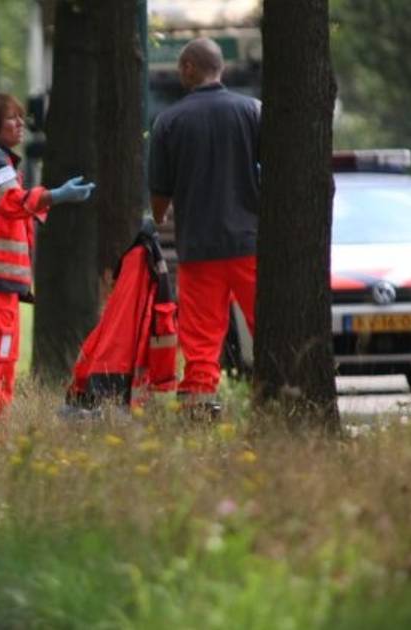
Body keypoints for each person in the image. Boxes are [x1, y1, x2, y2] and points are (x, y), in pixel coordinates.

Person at [0, 92, 96, 418]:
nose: (20, 124)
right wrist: (55, 196)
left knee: (0, 362)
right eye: (11, 117)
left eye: (20, 117)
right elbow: (12, 202)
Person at [148, 37, 261, 410]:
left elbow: (160, 191)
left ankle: (199, 411)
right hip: (250, 244)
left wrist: (160, 216)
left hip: (199, 248)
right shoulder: (252, 111)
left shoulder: (168, 122)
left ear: (188, 69)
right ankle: (285, 396)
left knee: (200, 341)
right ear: (221, 69)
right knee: (269, 327)